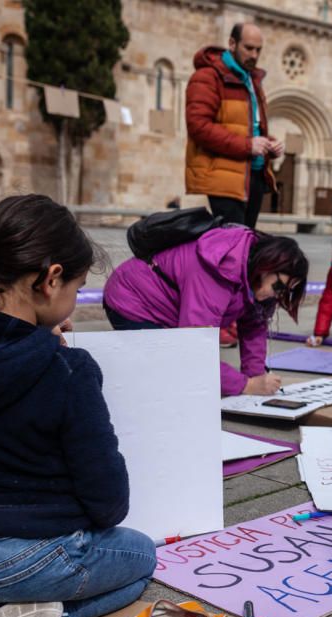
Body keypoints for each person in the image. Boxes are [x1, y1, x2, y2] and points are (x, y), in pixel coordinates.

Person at [0, 195, 156, 617]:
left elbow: (0, 355)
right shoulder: (65, 369)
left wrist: (34, 341)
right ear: (51, 279)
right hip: (25, 561)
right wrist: (48, 352)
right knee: (141, 558)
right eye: (75, 286)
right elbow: (109, 501)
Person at [103, 227, 308, 396]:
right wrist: (245, 385)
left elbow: (254, 328)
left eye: (287, 292)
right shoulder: (219, 267)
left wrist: (255, 378)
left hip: (170, 313)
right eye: (279, 287)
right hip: (133, 301)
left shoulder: (256, 278)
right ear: (267, 266)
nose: (278, 296)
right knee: (164, 382)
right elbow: (192, 348)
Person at [185, 22, 283, 229]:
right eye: (248, 48)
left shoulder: (252, 80)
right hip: (224, 178)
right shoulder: (207, 77)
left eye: (259, 50)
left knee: (245, 245)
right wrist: (248, 145)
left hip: (254, 176)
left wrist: (270, 145)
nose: (254, 55)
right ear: (232, 43)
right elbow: (198, 126)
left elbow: (250, 127)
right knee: (232, 247)